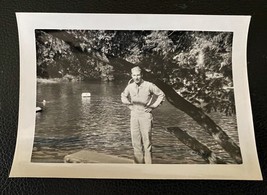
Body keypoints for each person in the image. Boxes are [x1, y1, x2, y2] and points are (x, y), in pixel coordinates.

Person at [121, 66, 165, 164]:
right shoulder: (130, 86)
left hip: (145, 116)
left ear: (141, 75)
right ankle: (138, 168)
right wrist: (129, 106)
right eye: (134, 75)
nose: (136, 77)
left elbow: (161, 95)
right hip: (134, 116)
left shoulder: (149, 85)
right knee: (136, 142)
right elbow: (123, 96)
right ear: (131, 76)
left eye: (138, 75)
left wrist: (153, 106)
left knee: (147, 143)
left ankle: (148, 168)